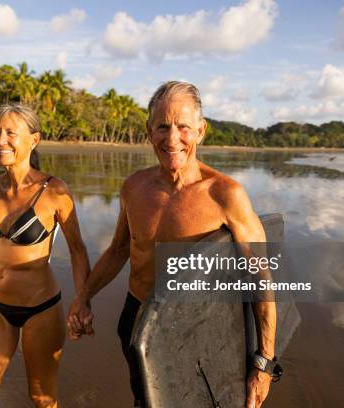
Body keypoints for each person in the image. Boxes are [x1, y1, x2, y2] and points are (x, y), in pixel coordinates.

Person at [67, 81, 277, 408]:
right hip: (138, 319)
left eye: (183, 127)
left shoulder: (225, 195)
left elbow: (259, 279)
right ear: (149, 131)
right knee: (145, 397)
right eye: (163, 127)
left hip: (198, 327)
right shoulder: (134, 188)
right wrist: (83, 297)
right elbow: (120, 250)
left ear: (201, 131)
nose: (172, 138)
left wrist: (263, 361)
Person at [0, 103, 91, 408]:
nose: (0, 140)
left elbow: (77, 249)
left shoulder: (54, 192)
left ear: (34, 139)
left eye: (11, 132)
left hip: (41, 309)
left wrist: (82, 300)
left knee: (42, 399)